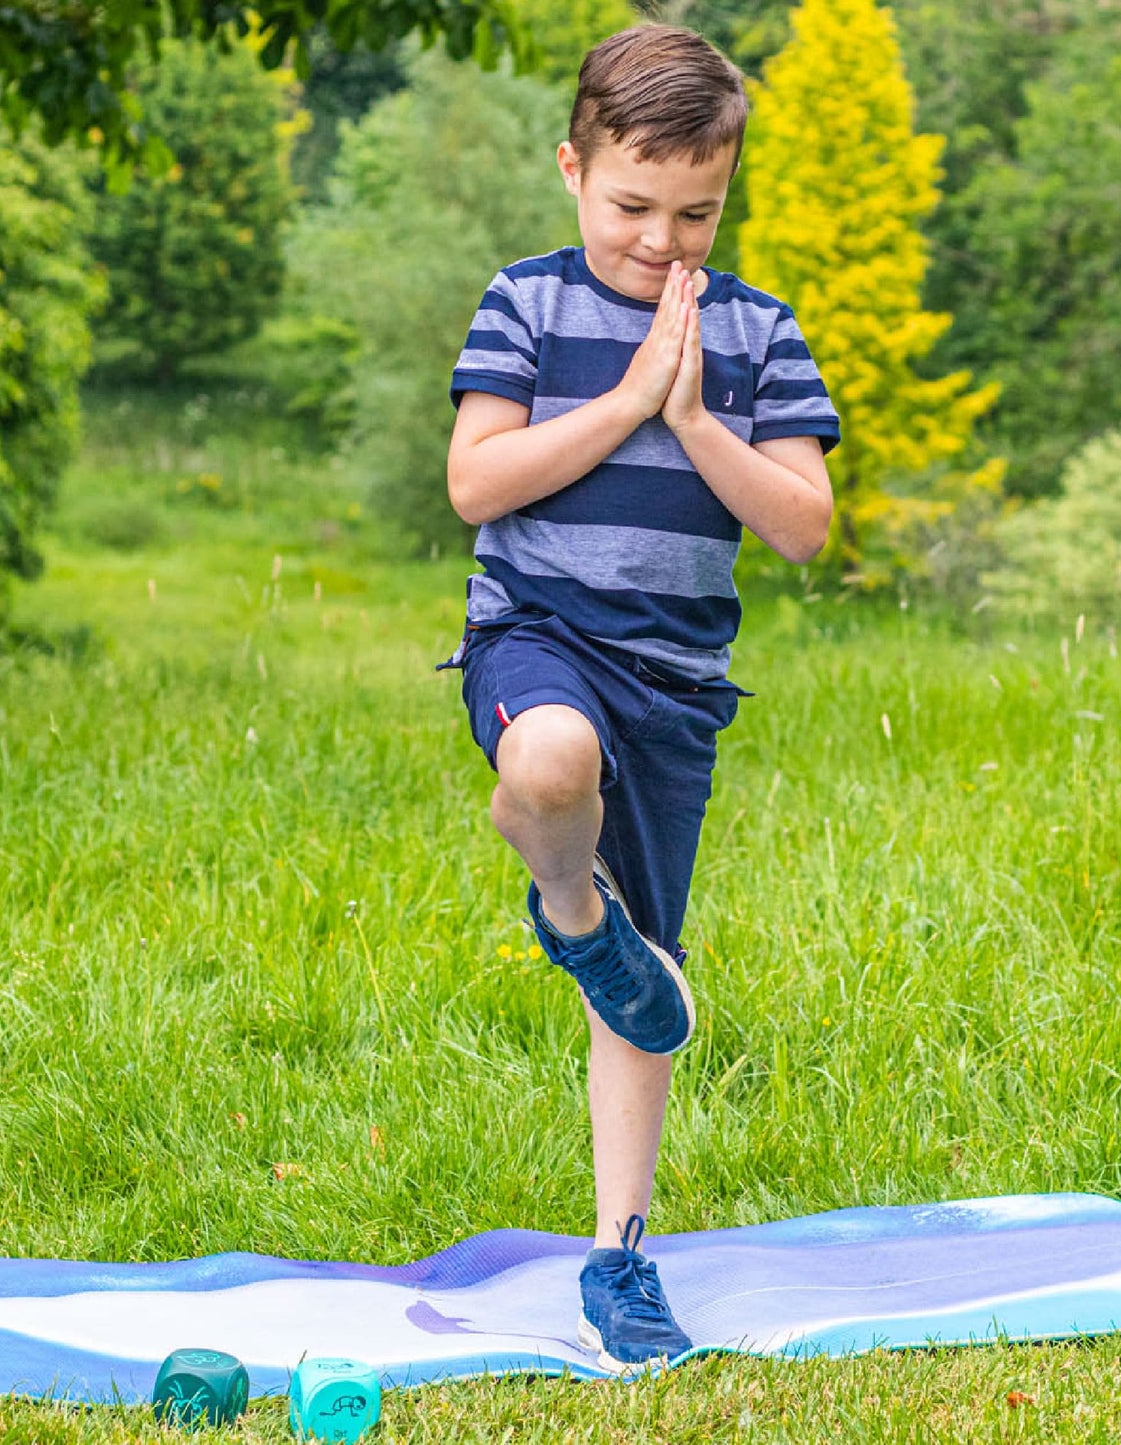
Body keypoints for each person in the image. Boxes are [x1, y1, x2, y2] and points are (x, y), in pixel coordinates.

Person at [440, 23, 840, 1374]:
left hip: (674, 687)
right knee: (546, 762)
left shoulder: (755, 332)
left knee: (642, 993)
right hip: (540, 634)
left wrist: (693, 418)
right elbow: (477, 484)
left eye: (696, 213)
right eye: (629, 207)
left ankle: (620, 1254)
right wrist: (623, 400)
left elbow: (801, 527)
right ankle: (565, 903)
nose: (661, 242)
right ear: (571, 167)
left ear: (724, 191)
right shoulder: (526, 304)